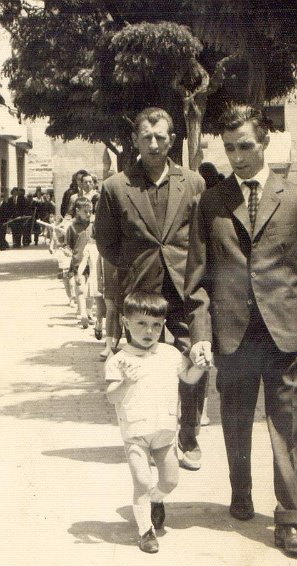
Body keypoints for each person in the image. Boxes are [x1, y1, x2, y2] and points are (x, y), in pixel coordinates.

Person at [184, 104, 297, 555]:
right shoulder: (211, 202)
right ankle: (241, 490)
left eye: (245, 146)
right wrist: (201, 333)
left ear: (265, 141)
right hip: (233, 334)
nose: (238, 156)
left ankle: (290, 520)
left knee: (288, 427)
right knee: (235, 421)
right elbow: (197, 278)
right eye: (229, 148)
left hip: (287, 332)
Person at [95, 106, 207, 471]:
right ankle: (147, 437)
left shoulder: (194, 183)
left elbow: (203, 237)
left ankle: (188, 435)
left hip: (185, 287)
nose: (154, 144)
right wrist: (134, 266)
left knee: (194, 356)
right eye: (147, 138)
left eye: (161, 137)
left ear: (172, 140)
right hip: (141, 289)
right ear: (135, 140)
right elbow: (106, 242)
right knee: (142, 364)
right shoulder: (116, 187)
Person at [105, 291, 210, 553]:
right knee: (142, 480)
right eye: (141, 323)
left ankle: (155, 499)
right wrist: (125, 382)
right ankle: (145, 531)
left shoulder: (170, 354)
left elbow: (188, 378)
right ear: (126, 322)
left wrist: (199, 366)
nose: (149, 331)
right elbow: (111, 396)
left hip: (165, 432)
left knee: (170, 481)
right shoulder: (119, 360)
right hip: (136, 433)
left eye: (156, 325)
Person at [65, 197, 93, 328]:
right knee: (81, 289)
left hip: (92, 263)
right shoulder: (72, 228)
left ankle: (89, 312)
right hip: (78, 262)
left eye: (90, 211)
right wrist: (67, 251)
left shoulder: (94, 226)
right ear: (77, 211)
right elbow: (67, 245)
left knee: (91, 291)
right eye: (85, 211)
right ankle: (83, 315)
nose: (88, 214)